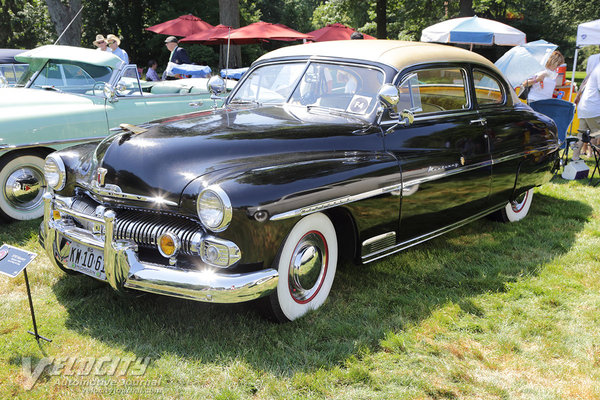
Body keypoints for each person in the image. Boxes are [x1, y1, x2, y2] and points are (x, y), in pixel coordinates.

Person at [572, 63, 600, 160]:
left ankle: (575, 157)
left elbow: (581, 89)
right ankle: (595, 156)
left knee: (581, 135)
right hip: (593, 108)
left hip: (584, 108)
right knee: (597, 134)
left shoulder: (593, 71)